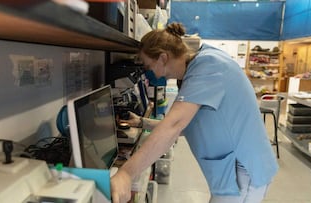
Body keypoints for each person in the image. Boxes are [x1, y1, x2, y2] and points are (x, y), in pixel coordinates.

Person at [111, 22, 278, 203]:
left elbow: (174, 125)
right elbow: (187, 125)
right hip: (232, 171)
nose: (147, 72)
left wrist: (126, 174)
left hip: (243, 171)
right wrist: (142, 122)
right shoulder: (196, 69)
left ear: (163, 57)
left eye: (147, 66)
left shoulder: (208, 66)